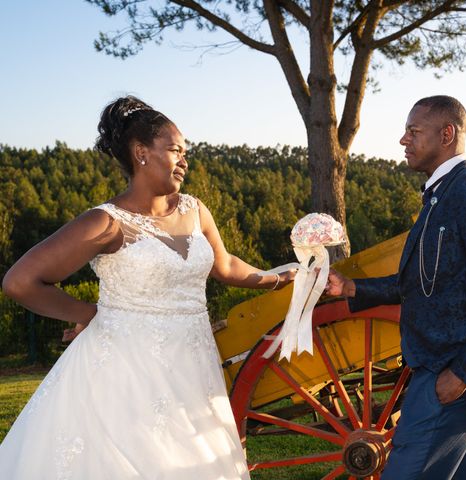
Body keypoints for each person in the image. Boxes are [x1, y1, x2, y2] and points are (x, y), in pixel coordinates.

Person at [0, 95, 294, 479]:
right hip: (124, 372)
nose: (185, 160)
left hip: (193, 365)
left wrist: (276, 278)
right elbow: (21, 282)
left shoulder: (194, 209)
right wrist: (90, 314)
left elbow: (224, 265)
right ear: (141, 153)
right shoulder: (106, 223)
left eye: (186, 151)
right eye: (175, 150)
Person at [326, 95, 466, 479]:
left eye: (413, 131)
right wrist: (353, 288)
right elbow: (425, 285)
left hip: (447, 378)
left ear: (447, 134)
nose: (403, 140)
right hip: (440, 375)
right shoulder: (440, 195)